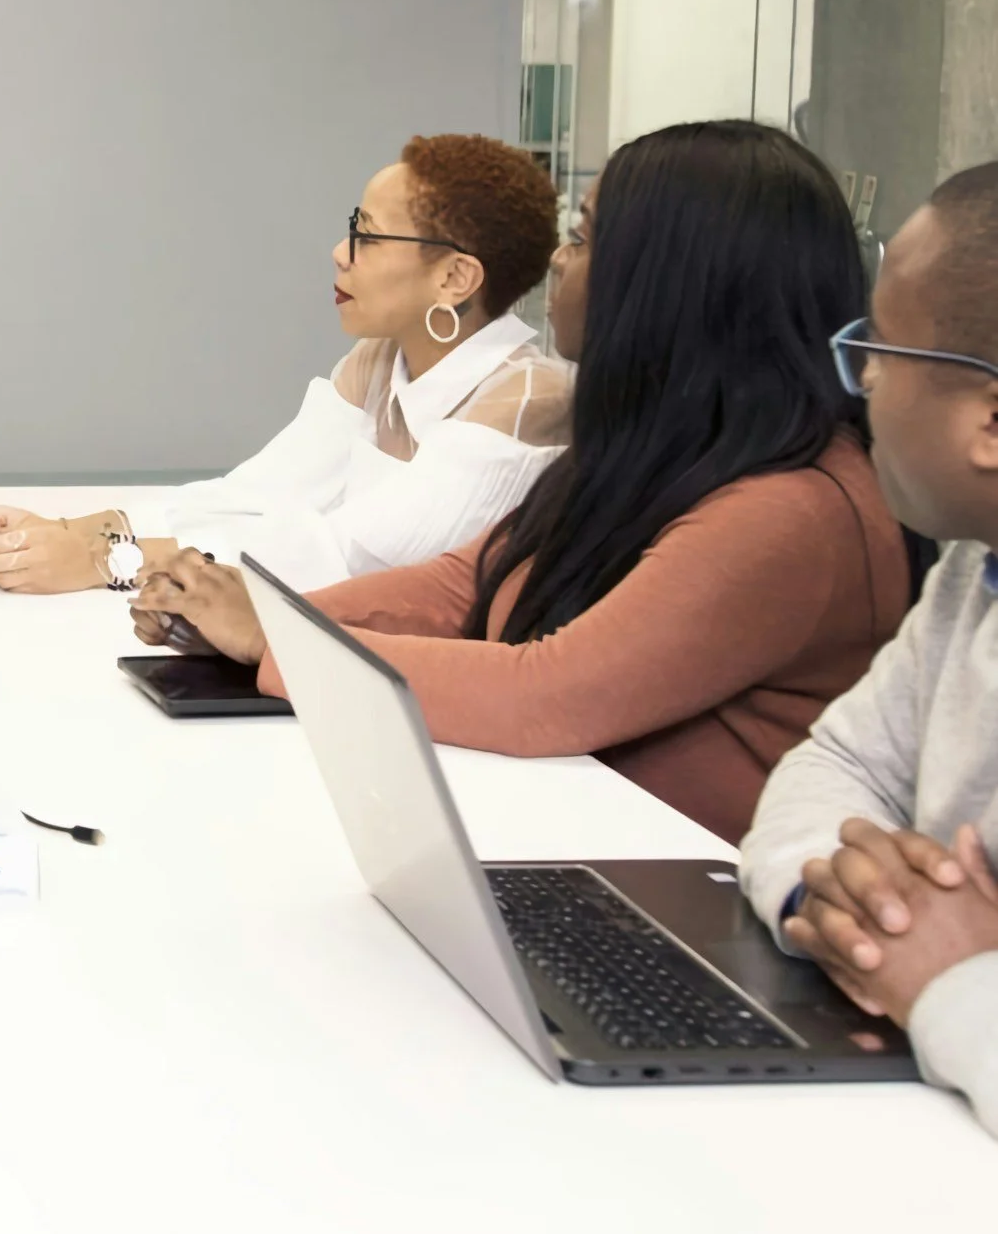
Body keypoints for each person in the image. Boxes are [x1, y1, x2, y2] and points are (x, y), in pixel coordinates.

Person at [142, 121, 911, 843]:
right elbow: (464, 583)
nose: (557, 262)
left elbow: (546, 692)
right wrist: (240, 616)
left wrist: (275, 633)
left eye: (582, 238)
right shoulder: (658, 450)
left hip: (668, 895)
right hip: (562, 826)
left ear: (671, 285)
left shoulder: (790, 508)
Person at [0, 134, 566, 594]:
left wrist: (108, 559)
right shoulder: (381, 361)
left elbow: (340, 562)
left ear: (455, 277)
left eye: (370, 237)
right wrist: (71, 531)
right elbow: (254, 497)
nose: (340, 252)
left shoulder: (525, 404)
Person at [737, 160, 998, 1137]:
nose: (863, 384)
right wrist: (843, 891)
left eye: (879, 350)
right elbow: (839, 763)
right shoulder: (969, 573)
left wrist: (961, 979)